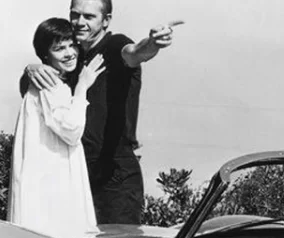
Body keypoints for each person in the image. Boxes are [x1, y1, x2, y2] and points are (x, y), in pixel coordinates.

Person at [24, 0, 183, 225]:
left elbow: (136, 52)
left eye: (89, 17)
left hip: (115, 176)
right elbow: (36, 92)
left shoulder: (115, 45)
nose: (80, 22)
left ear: (106, 21)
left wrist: (154, 43)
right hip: (76, 173)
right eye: (75, 15)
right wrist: (31, 69)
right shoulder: (71, 57)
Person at [8, 18, 106, 238]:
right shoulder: (51, 83)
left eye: (72, 45)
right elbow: (71, 129)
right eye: (59, 48)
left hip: (42, 182)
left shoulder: (41, 81)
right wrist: (82, 86)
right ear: (45, 55)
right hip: (53, 185)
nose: (69, 53)